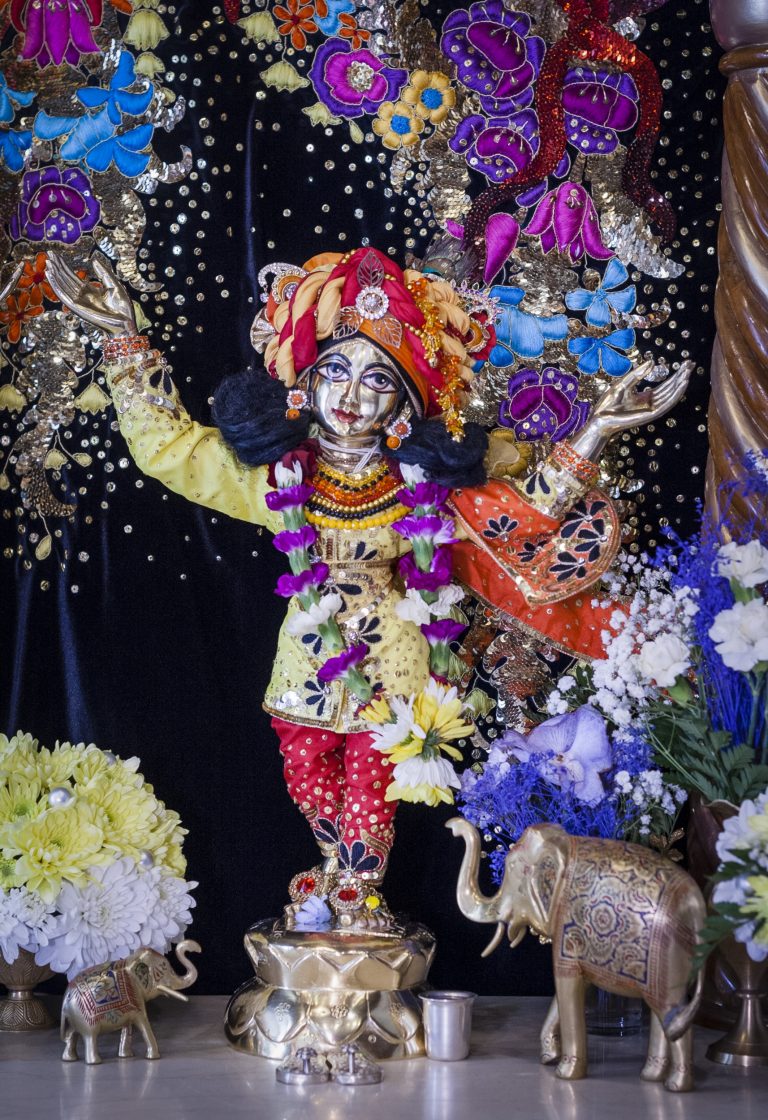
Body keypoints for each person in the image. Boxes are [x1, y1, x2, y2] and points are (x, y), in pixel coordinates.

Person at [46, 246, 691, 929]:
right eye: (335, 372)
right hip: (306, 657)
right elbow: (170, 450)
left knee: (372, 781)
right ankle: (337, 872)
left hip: (397, 660)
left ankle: (359, 891)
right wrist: (124, 338)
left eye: (377, 380)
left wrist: (598, 429)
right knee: (303, 767)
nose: (350, 397)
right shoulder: (278, 480)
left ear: (405, 406)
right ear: (305, 384)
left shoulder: (425, 490)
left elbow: (526, 510)